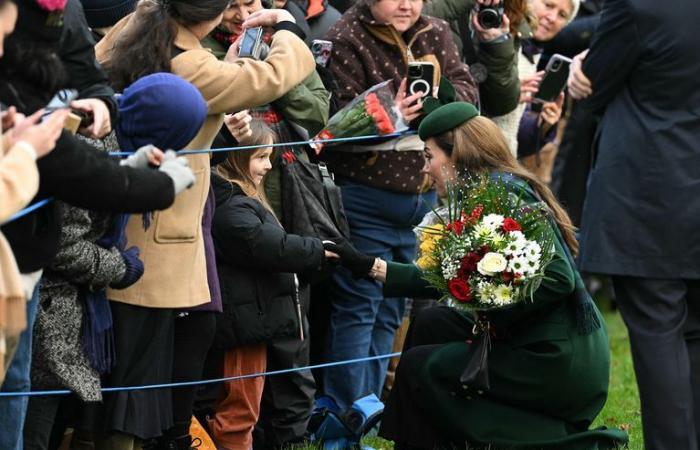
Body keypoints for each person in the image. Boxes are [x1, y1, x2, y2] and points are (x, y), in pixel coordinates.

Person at [325, 102, 628, 449]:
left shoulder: (502, 195)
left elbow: (560, 278)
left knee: (417, 367)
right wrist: (368, 265)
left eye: (429, 156)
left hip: (555, 358)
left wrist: (492, 302)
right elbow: (451, 279)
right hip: (537, 339)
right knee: (432, 323)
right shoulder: (488, 193)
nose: (425, 170)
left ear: (458, 156)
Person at [96, 2, 316, 447]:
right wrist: (289, 30)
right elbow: (270, 78)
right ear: (212, 16)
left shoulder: (139, 32)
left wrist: (224, 68)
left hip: (136, 214)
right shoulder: (192, 63)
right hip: (159, 231)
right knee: (146, 369)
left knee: (156, 354)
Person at [0, 2, 194, 448]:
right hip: (32, 262)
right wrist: (154, 186)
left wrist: (96, 101)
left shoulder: (59, 16)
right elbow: (63, 171)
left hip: (26, 256)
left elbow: (82, 79)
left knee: (15, 382)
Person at [22, 73, 209, 450]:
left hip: (55, 304)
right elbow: (64, 245)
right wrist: (118, 268)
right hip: (44, 304)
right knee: (32, 423)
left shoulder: (116, 135)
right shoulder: (95, 144)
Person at [319, 0, 478, 411]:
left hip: (423, 195)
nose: (407, 3)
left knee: (394, 308)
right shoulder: (346, 36)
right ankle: (345, 413)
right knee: (358, 306)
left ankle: (372, 409)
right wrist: (392, 111)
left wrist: (434, 104)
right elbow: (334, 120)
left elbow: (468, 92)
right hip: (366, 195)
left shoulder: (436, 31)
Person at [567, 0, 700, 448]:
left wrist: (580, 67)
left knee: (659, 333)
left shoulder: (640, 6)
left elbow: (594, 84)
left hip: (651, 196)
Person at [209, 120, 337, 450]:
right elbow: (270, 246)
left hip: (260, 321)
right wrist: (320, 251)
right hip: (244, 327)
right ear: (235, 159)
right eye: (260, 157)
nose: (269, 166)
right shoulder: (230, 207)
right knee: (238, 414)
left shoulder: (246, 197)